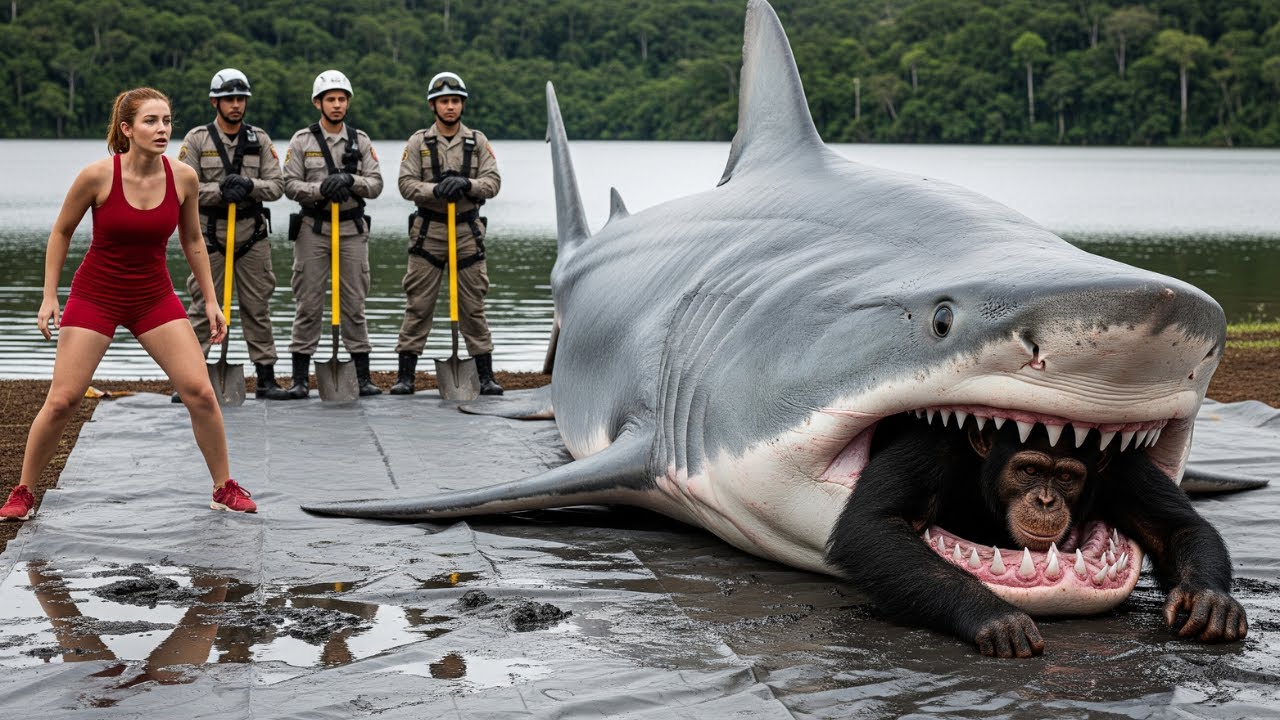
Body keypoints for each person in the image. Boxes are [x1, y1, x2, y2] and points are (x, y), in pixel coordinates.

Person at [0, 87, 257, 522]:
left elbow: (193, 240)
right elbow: (61, 232)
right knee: (63, 400)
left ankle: (223, 487)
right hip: (96, 295)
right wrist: (49, 295)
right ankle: (23, 491)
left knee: (200, 392)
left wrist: (212, 301)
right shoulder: (97, 176)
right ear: (127, 129)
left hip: (153, 297)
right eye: (150, 121)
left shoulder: (183, 178)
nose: (162, 129)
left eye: (167, 121)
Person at [174, 68, 289, 402]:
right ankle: (190, 380)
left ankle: (266, 378)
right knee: (202, 307)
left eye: (241, 99)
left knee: (257, 306)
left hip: (252, 235)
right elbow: (182, 186)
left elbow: (277, 185)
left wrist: (249, 185)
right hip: (209, 236)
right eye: (229, 100)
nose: (236, 105)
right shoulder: (197, 139)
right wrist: (220, 190)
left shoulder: (260, 139)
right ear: (215, 102)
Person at [390, 71, 503, 396]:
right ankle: (406, 375)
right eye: (443, 101)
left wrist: (468, 184)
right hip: (429, 232)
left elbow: (493, 182)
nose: (450, 107)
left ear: (462, 104)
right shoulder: (418, 142)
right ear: (433, 105)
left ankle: (485, 375)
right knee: (418, 304)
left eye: (455, 101)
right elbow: (406, 184)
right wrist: (435, 190)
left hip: (467, 231)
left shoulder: (477, 142)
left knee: (473, 305)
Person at [282, 70, 384, 398]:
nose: (337, 105)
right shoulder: (302, 141)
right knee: (308, 303)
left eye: (342, 99)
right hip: (313, 230)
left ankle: (363, 377)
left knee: (354, 303)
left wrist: (351, 181)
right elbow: (289, 184)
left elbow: (376, 184)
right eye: (330, 99)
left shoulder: (360, 140)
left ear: (348, 102)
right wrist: (321, 188)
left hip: (352, 230)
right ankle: (300, 379)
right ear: (318, 103)